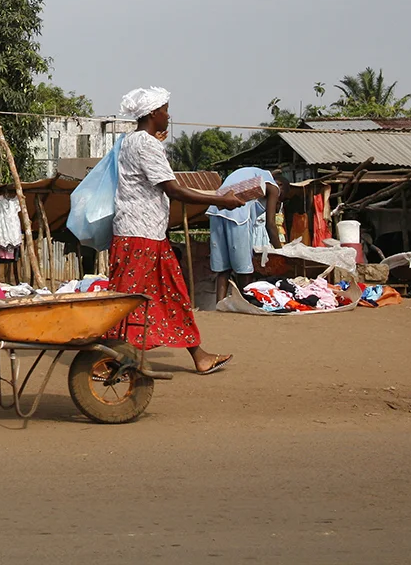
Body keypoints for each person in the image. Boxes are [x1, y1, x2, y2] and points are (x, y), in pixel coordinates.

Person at [108, 87, 245, 375]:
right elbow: (173, 189)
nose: (169, 116)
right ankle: (108, 361)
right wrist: (221, 200)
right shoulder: (146, 144)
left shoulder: (131, 141)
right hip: (140, 234)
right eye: (166, 110)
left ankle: (199, 355)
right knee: (125, 298)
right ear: (154, 114)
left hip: (147, 233)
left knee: (171, 293)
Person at [207, 168, 292, 291]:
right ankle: (246, 301)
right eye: (281, 197)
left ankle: (219, 305)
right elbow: (271, 225)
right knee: (244, 269)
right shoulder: (274, 188)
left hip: (216, 211)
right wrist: (281, 252)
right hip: (237, 217)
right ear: (280, 186)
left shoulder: (257, 175)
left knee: (223, 270)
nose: (278, 199)